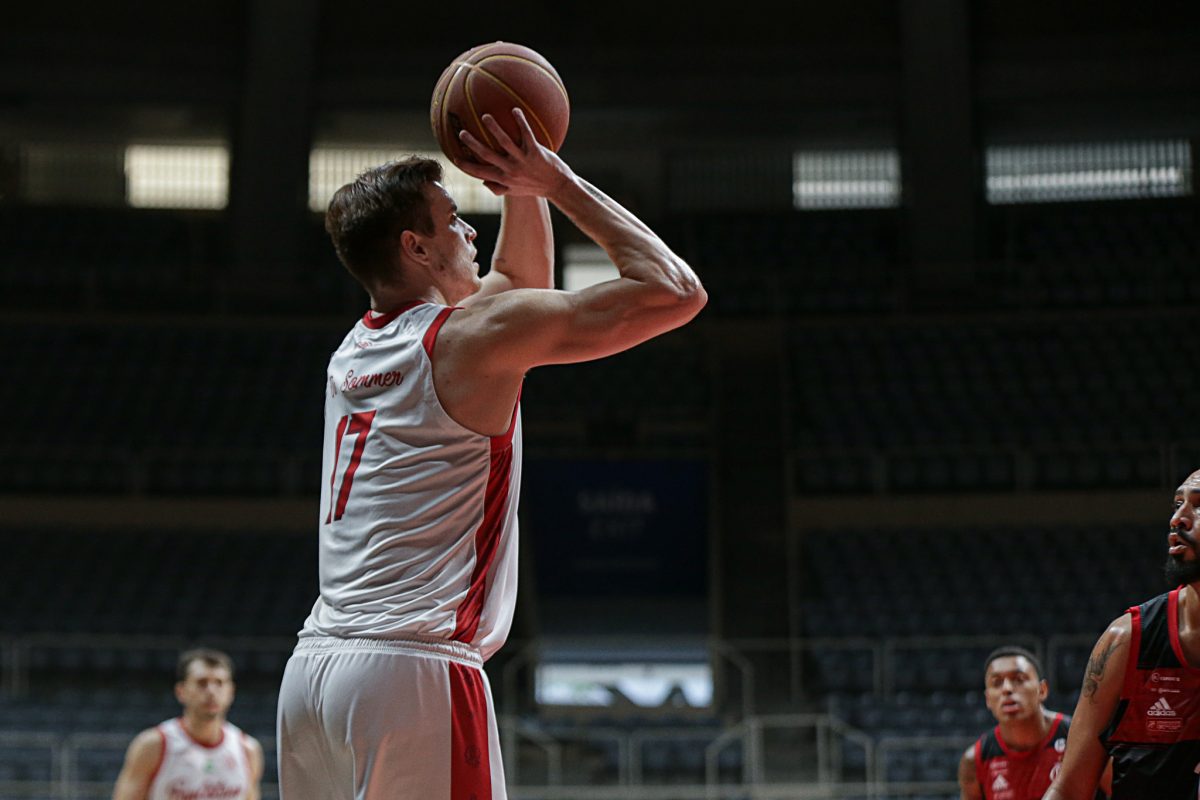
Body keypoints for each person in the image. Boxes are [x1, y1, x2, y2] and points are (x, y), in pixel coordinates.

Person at [275, 107, 706, 799]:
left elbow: (518, 281)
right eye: (453, 220)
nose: (470, 231)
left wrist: (517, 183)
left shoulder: (358, 349)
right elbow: (676, 291)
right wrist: (556, 181)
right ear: (416, 248)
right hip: (410, 673)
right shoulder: (466, 338)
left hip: (313, 676)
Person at [1043, 468, 1200, 799]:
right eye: (1177, 504)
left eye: (1198, 506)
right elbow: (1068, 790)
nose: (1178, 519)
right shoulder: (1127, 640)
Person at [958, 646, 1110, 800]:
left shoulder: (1081, 740)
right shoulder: (975, 760)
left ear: (1042, 690)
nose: (1007, 689)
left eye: (1019, 679)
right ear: (987, 699)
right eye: (997, 683)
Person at [112, 648, 263, 800]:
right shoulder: (153, 745)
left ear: (231, 691)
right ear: (181, 691)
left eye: (219, 683)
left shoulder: (248, 749)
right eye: (202, 683)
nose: (211, 691)